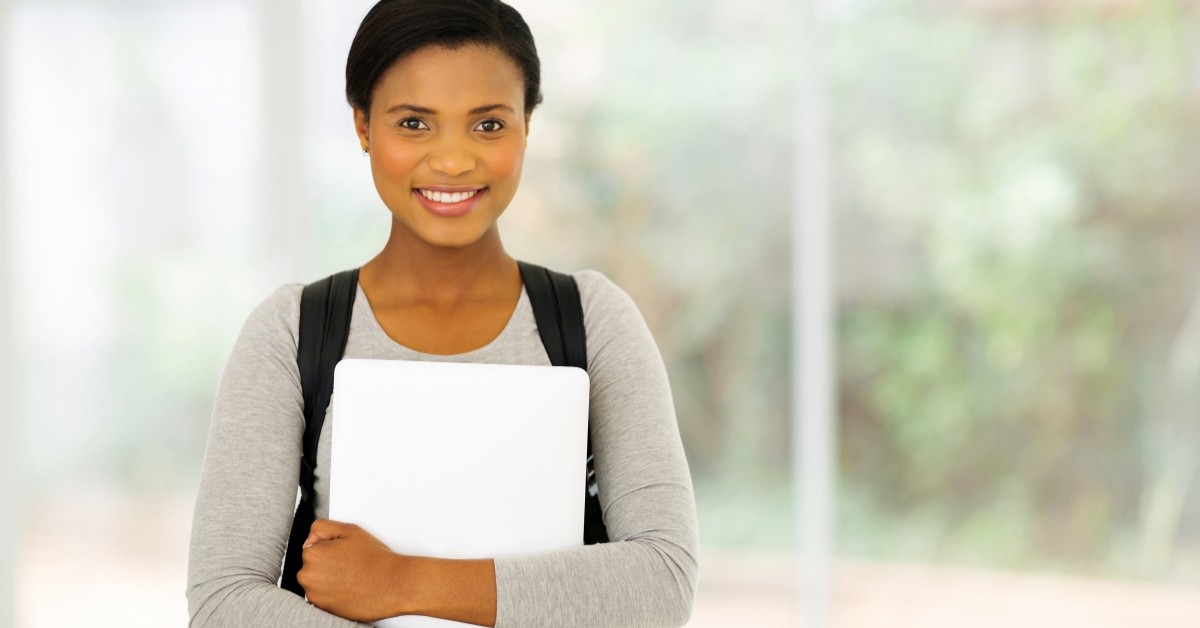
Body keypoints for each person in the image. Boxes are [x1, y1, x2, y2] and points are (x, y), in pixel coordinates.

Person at [186, 1, 699, 626]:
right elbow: (223, 600)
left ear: (527, 127)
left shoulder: (595, 321)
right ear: (363, 127)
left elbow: (664, 582)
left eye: (488, 125)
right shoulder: (293, 331)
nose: (454, 161)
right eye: (413, 123)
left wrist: (401, 582)